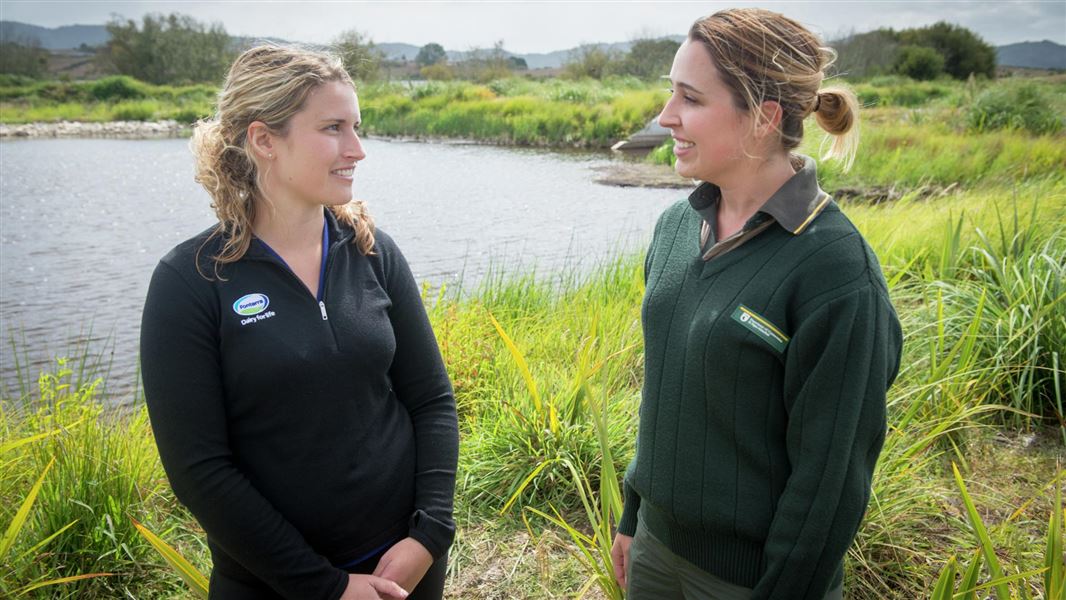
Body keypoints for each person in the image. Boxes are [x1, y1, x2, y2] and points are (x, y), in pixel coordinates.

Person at [140, 45, 458, 600]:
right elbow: (200, 471)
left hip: (403, 570)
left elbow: (431, 400)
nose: (357, 149)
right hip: (274, 585)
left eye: (356, 127)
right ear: (265, 140)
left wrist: (429, 536)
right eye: (333, 128)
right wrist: (326, 588)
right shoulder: (190, 282)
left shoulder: (372, 252)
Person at [610, 9, 903, 600]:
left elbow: (829, 484)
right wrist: (633, 515)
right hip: (654, 554)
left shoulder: (838, 274)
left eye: (689, 99)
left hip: (752, 583)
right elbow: (665, 392)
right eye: (671, 94)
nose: (666, 117)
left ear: (764, 119)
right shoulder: (675, 227)